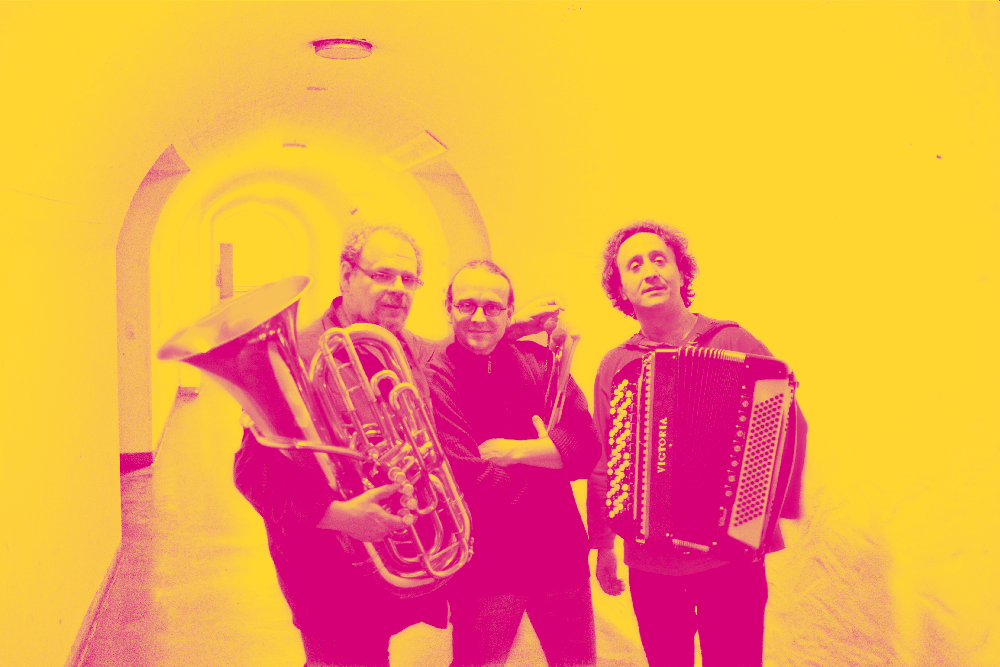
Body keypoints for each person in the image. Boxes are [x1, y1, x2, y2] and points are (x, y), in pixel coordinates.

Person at [233, 226, 564, 667]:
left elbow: (457, 346)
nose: (398, 289)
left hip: (396, 568)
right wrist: (339, 516)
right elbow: (252, 471)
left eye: (409, 279)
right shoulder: (296, 356)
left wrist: (509, 327)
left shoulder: (412, 349)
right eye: (383, 275)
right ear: (346, 275)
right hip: (329, 575)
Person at [586, 222, 807, 667]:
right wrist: (603, 545)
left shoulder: (733, 341)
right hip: (651, 565)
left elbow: (790, 426)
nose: (650, 271)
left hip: (730, 561)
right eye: (634, 265)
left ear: (680, 273)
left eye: (659, 259)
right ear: (621, 289)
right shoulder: (616, 364)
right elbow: (603, 461)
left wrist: (760, 512)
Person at [427, 260, 601, 667]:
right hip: (487, 569)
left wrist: (513, 451)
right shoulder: (434, 378)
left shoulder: (539, 361)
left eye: (492, 307)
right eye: (467, 305)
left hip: (561, 557)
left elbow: (587, 448)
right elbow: (472, 481)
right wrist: (549, 457)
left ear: (509, 312)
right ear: (448, 308)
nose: (479, 317)